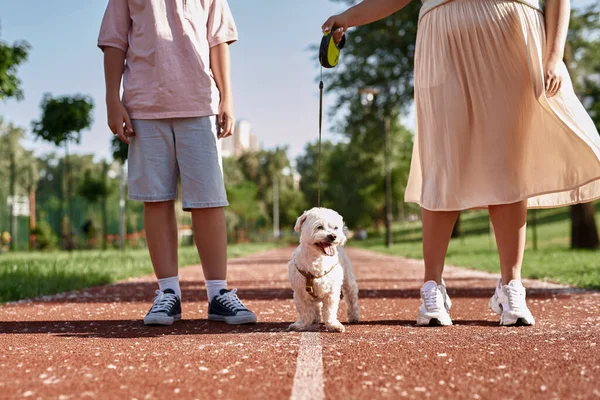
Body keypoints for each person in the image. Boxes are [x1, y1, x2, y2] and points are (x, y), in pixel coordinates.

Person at [323, 0, 600, 326]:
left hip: (512, 33)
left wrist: (553, 55)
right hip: (443, 39)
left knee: (509, 162)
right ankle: (432, 287)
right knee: (443, 160)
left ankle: (511, 286)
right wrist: (348, 18)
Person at [98, 0, 256, 326]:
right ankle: (168, 293)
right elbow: (114, 41)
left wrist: (227, 97)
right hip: (144, 105)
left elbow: (218, 39)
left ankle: (218, 294)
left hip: (199, 103)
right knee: (156, 199)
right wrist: (112, 99)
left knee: (209, 201)